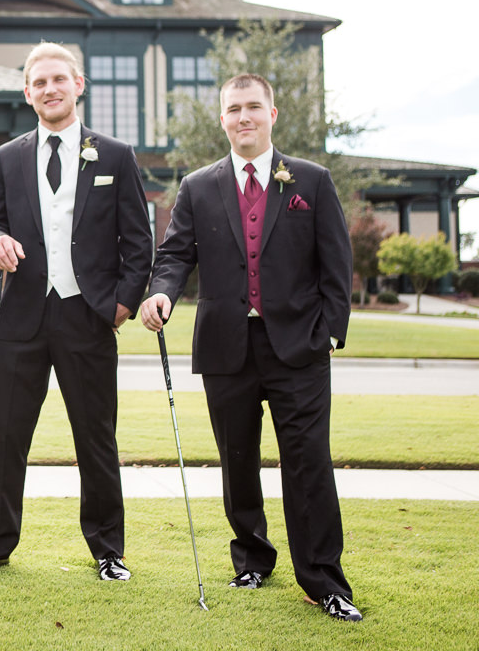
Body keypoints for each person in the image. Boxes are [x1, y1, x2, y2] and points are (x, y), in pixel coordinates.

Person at [139, 73, 361, 622]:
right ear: (222, 119)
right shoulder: (197, 186)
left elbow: (337, 264)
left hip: (299, 347)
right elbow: (173, 257)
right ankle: (253, 560)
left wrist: (330, 330)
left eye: (253, 107)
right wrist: (161, 294)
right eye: (234, 108)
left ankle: (324, 580)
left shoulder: (311, 179)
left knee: (307, 462)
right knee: (237, 461)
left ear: (272, 114)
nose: (244, 117)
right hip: (226, 347)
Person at [0, 41, 153, 582]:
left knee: (96, 438)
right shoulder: (7, 156)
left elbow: (138, 240)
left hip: (87, 316)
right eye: (39, 82)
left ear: (78, 85)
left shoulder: (114, 154)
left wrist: (120, 304)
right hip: (21, 318)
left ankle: (108, 552)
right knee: (9, 440)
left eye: (58, 80)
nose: (49, 89)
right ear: (27, 92)